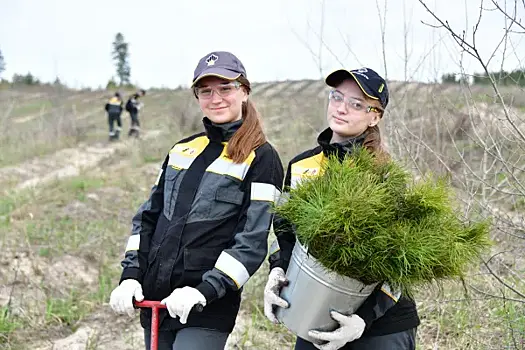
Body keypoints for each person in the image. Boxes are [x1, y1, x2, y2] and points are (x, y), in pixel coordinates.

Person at [109, 51, 284, 350]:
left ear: (244, 91)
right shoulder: (181, 149)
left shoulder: (263, 158)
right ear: (197, 96)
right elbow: (147, 218)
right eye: (206, 91)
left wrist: (204, 290)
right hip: (156, 300)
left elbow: (252, 241)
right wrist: (130, 275)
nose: (215, 98)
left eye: (226, 88)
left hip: (207, 306)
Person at [264, 67, 420, 350]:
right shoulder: (301, 166)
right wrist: (276, 271)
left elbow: (402, 263)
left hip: (382, 328)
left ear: (375, 116)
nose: (341, 108)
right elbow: (285, 234)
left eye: (356, 104)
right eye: (336, 97)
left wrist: (362, 320)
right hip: (315, 316)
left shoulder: (384, 176)